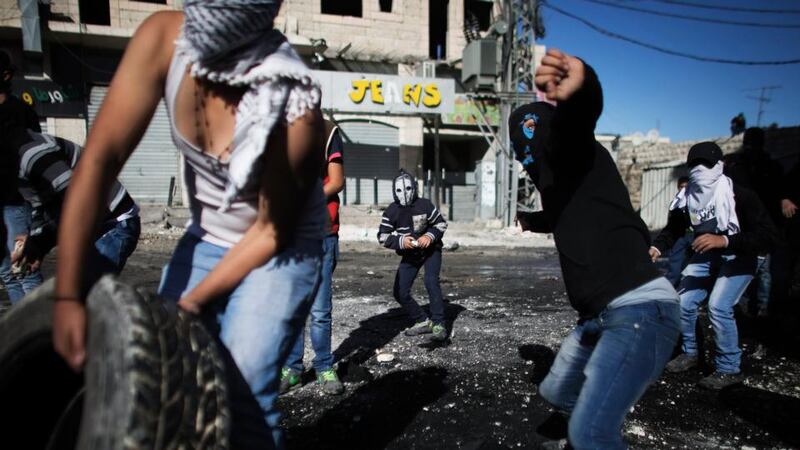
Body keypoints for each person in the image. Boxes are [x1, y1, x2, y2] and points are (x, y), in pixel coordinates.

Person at [51, 2, 326, 449]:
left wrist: (194, 301)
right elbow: (100, 160)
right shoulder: (164, 38)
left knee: (244, 387)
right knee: (167, 372)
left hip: (282, 247)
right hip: (208, 235)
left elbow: (270, 232)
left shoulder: (291, 99)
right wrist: (66, 293)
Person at [512, 48, 681, 449]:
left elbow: (576, 123)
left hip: (638, 309)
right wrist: (530, 219)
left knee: (589, 434)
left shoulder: (572, 153)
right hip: (598, 315)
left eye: (530, 140)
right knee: (555, 392)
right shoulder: (559, 186)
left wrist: (583, 87)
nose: (527, 156)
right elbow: (564, 214)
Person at [651, 142, 778, 389]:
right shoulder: (686, 197)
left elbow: (768, 235)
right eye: (695, 165)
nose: (700, 170)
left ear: (719, 166)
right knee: (684, 301)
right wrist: (656, 247)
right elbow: (674, 228)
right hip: (708, 255)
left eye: (706, 164)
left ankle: (729, 368)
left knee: (719, 306)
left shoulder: (738, 195)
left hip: (741, 254)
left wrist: (725, 239)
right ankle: (690, 353)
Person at [9, 131, 140, 285]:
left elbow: (78, 205)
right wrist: (36, 240)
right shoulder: (14, 166)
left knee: (86, 296)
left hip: (112, 224)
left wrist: (40, 241)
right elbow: (41, 206)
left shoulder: (33, 156)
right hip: (89, 226)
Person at [281, 120, 345, 395]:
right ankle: (293, 370)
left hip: (321, 232)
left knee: (319, 310)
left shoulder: (327, 131)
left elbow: (337, 181)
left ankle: (323, 367)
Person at [377, 170, 448, 342]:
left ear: (414, 188)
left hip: (431, 250)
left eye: (408, 188)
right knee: (400, 292)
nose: (405, 193)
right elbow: (382, 236)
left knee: (431, 281)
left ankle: (439, 323)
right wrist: (401, 241)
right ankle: (423, 320)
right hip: (411, 253)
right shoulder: (392, 211)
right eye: (400, 190)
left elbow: (441, 223)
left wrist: (429, 236)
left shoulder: (424, 204)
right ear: (394, 191)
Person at [724, 127, 782, 316]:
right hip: (744, 226)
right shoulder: (736, 165)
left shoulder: (769, 167)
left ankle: (758, 310)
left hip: (761, 226)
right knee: (746, 268)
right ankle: (746, 308)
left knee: (761, 270)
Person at [0, 50, 43, 303]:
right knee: (6, 272)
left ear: (6, 74)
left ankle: (41, 333)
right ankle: (23, 331)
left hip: (17, 203)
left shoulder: (20, 112)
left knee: (23, 269)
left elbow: (37, 155)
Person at [664, 176, 693, 287]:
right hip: (679, 237)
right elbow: (671, 223)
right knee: (675, 267)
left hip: (693, 236)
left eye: (686, 187)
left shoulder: (696, 201)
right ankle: (671, 289)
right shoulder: (675, 203)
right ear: (678, 187)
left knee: (691, 266)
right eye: (681, 187)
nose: (684, 189)